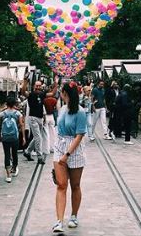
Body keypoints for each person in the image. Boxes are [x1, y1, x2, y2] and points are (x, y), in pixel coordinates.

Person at [52, 82, 87, 233]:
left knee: (75, 185)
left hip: (75, 149)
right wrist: (60, 152)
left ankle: (73, 216)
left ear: (66, 93)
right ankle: (59, 221)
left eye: (61, 91)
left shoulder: (80, 112)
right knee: (61, 185)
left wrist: (67, 154)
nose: (60, 93)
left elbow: (79, 136)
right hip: (60, 146)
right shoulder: (62, 109)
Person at [21, 76, 58, 164]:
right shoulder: (30, 94)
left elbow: (52, 93)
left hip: (40, 118)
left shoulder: (42, 94)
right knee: (38, 137)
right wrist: (25, 82)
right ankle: (39, 156)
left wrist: (56, 84)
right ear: (34, 86)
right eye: (36, 86)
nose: (38, 87)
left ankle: (27, 152)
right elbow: (23, 92)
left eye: (39, 86)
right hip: (33, 117)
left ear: (41, 86)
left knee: (37, 137)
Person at [0, 97, 25, 183]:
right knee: (14, 153)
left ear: (6, 104)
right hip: (14, 137)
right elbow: (21, 125)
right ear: (14, 104)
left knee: (7, 154)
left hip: (5, 137)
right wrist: (23, 136)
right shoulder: (18, 114)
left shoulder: (2, 114)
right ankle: (14, 167)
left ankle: (8, 175)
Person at [43, 87, 58, 153]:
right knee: (52, 132)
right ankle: (53, 147)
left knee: (46, 133)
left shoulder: (44, 100)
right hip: (51, 116)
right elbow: (57, 108)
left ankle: (47, 148)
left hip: (45, 116)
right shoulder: (54, 100)